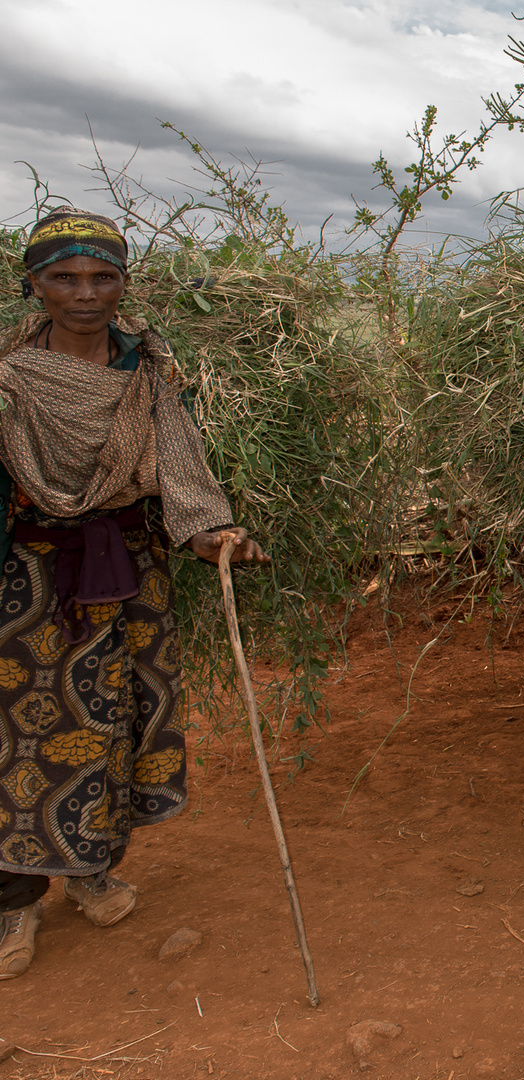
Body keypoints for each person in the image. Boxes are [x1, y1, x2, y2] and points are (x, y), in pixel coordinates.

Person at [0, 209, 268, 979]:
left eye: (103, 277)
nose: (86, 293)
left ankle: (88, 869)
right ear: (34, 285)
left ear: (123, 283)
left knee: (114, 721)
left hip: (128, 579)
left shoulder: (148, 375)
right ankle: (14, 900)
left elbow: (182, 482)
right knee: (21, 738)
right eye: (65, 277)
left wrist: (214, 536)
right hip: (32, 586)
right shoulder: (11, 383)